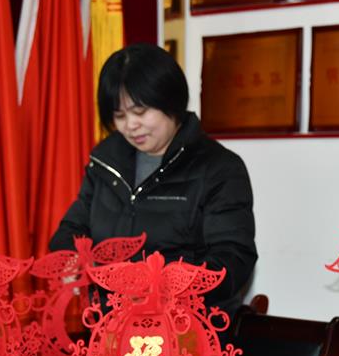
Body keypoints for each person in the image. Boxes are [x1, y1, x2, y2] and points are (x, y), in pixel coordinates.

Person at [50, 43, 258, 319]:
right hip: (112, 323)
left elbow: (234, 257)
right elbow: (72, 229)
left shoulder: (219, 168)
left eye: (140, 111)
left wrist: (165, 287)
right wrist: (72, 257)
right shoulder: (105, 162)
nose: (130, 125)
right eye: (120, 116)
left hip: (186, 326)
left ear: (171, 101)